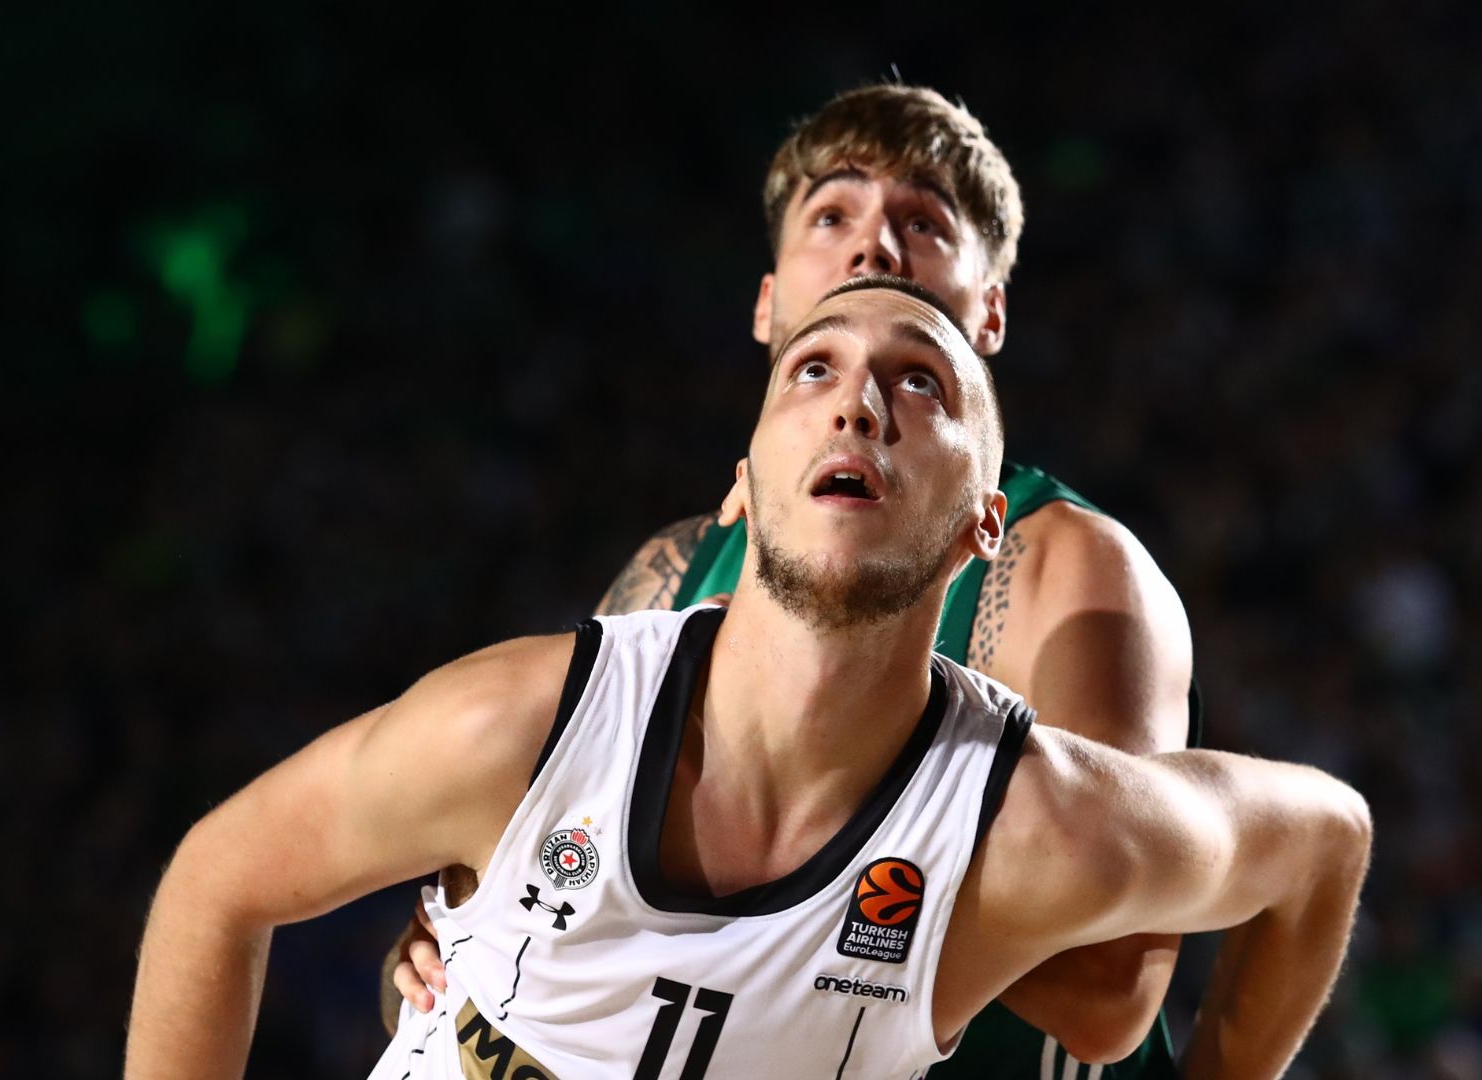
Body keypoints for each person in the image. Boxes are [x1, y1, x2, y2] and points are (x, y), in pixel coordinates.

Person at [127, 277, 1370, 1080]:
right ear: (743, 486)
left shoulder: (1020, 826)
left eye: (919, 382)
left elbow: (1327, 842)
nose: (858, 402)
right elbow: (215, 885)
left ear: (985, 525)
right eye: (811, 369)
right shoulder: (519, 725)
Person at [387, 84, 1198, 1077]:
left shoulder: (1065, 564)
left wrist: (813, 903)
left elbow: (1111, 985)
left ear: (990, 310)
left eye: (923, 223)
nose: (873, 247)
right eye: (831, 215)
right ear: (769, 302)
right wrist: (450, 938)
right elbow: (530, 881)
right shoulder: (675, 568)